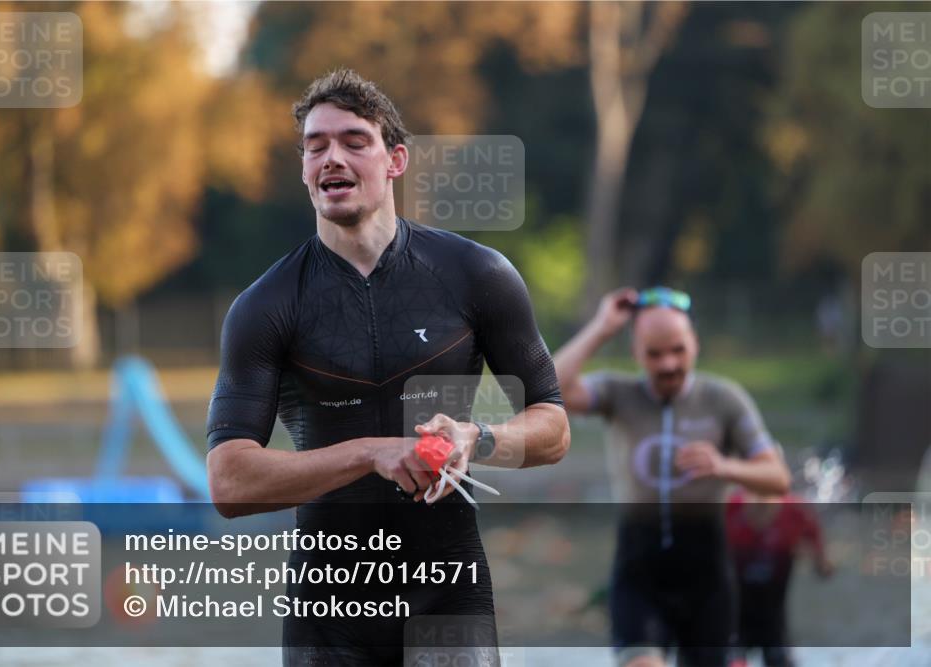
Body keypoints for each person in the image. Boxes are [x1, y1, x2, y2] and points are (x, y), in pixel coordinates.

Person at [205, 68, 570, 666]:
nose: (331, 158)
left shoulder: (477, 274)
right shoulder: (265, 306)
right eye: (315, 146)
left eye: (353, 141)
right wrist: (370, 452)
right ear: (302, 169)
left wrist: (475, 439)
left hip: (449, 593)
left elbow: (553, 428)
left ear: (395, 160)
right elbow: (229, 481)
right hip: (330, 613)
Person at [553, 286, 791, 667]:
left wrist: (724, 466)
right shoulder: (620, 393)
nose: (667, 365)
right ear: (636, 353)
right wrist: (601, 328)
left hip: (708, 578)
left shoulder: (724, 399)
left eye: (677, 350)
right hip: (639, 574)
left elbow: (777, 477)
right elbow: (551, 392)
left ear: (694, 343)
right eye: (654, 353)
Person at [726, 489, 834, 667]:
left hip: (774, 623)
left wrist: (814, 557)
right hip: (734, 622)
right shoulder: (730, 507)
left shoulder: (796, 512)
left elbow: (825, 569)